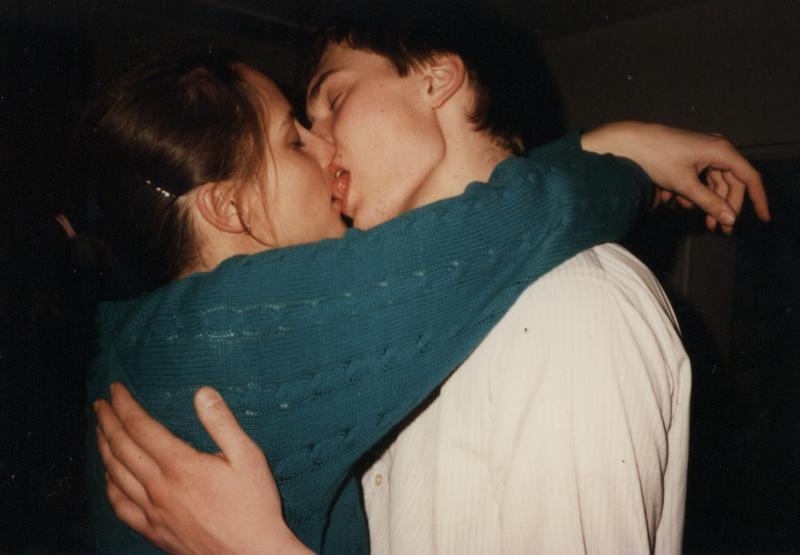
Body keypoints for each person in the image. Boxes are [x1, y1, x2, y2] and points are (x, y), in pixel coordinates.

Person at [89, 4, 769, 553]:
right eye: (296, 138)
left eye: (333, 100)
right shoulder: (271, 331)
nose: (322, 145)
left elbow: (498, 227)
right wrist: (622, 154)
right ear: (228, 208)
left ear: (436, 80)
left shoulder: (572, 304)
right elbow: (513, 220)